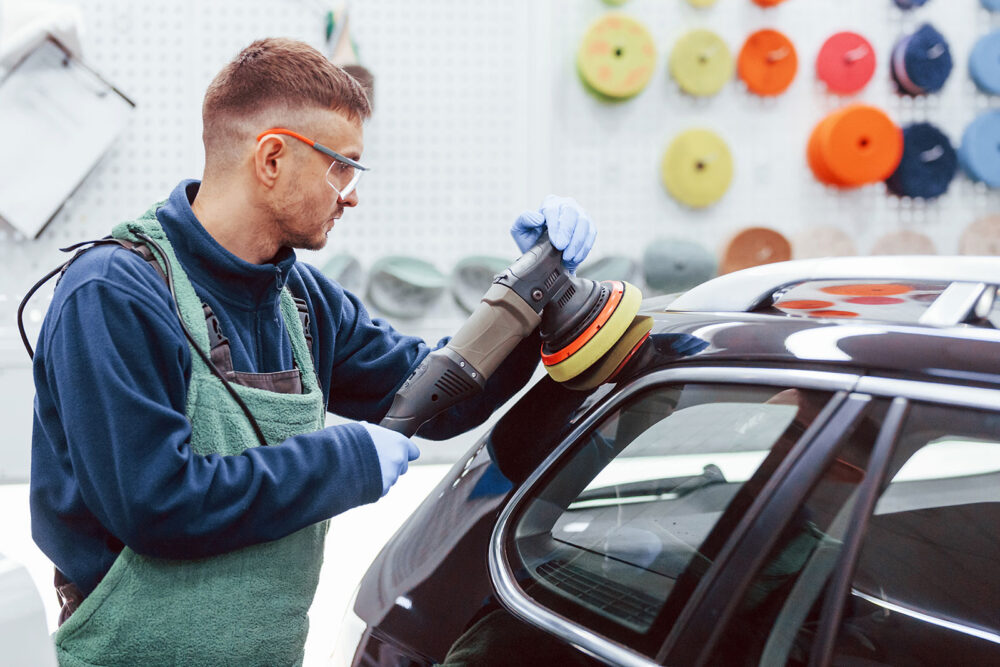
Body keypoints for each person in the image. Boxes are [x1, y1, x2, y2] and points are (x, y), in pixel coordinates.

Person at [29, 37, 596, 666]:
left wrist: (529, 296)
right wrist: (341, 461)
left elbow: (440, 397)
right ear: (272, 158)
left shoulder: (301, 300)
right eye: (342, 167)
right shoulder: (114, 294)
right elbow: (155, 502)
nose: (351, 194)